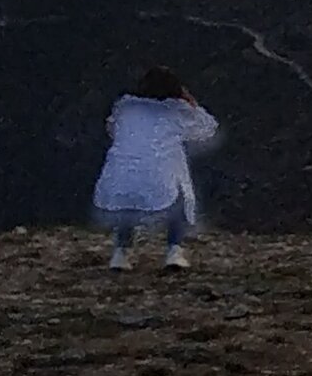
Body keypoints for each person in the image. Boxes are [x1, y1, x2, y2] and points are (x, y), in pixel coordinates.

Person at [91, 66, 219, 271]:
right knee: (178, 197)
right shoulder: (177, 110)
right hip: (160, 173)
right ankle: (174, 250)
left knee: (128, 205)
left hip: (121, 172)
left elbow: (113, 129)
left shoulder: (126, 106)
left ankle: (120, 252)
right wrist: (190, 101)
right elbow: (206, 129)